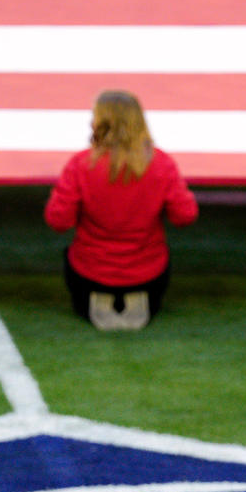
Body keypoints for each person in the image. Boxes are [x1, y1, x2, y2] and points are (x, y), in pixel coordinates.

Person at [45, 90, 198, 330]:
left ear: (99, 122)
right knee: (155, 262)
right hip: (148, 275)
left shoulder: (80, 165)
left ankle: (100, 297)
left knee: (75, 258)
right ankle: (136, 296)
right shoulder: (162, 164)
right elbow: (185, 215)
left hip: (90, 273)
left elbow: (58, 220)